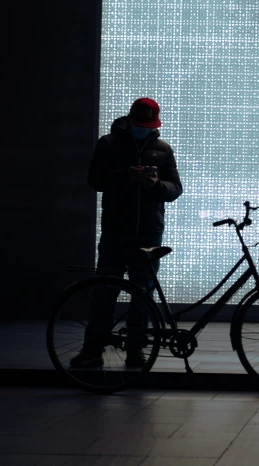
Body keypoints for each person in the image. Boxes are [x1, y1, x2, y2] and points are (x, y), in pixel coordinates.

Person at [70, 97, 183, 368]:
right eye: (140, 124)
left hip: (148, 232)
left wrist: (155, 185)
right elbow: (94, 180)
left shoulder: (163, 150)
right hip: (116, 229)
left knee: (142, 293)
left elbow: (175, 188)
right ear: (130, 120)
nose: (143, 129)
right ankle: (93, 349)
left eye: (147, 125)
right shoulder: (108, 144)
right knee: (104, 291)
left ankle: (136, 351)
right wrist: (125, 176)